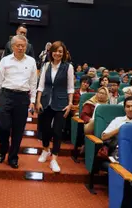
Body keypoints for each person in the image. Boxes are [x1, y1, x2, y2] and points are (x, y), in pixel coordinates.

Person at [0, 35, 37, 169]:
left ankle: (13, 157)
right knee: (3, 127)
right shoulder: (5, 61)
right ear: (12, 47)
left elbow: (33, 83)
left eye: (23, 46)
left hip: (22, 98)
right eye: (18, 45)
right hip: (6, 95)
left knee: (18, 131)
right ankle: (3, 149)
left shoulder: (31, 62)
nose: (21, 48)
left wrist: (33, 100)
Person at [36, 41, 74, 172]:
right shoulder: (46, 65)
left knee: (58, 131)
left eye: (60, 52)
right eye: (55, 51)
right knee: (45, 129)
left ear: (63, 54)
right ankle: (45, 149)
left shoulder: (68, 67)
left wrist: (70, 103)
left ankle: (54, 159)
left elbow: (70, 87)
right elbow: (40, 85)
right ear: (51, 52)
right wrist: (38, 101)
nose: (57, 53)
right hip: (46, 101)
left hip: (61, 103)